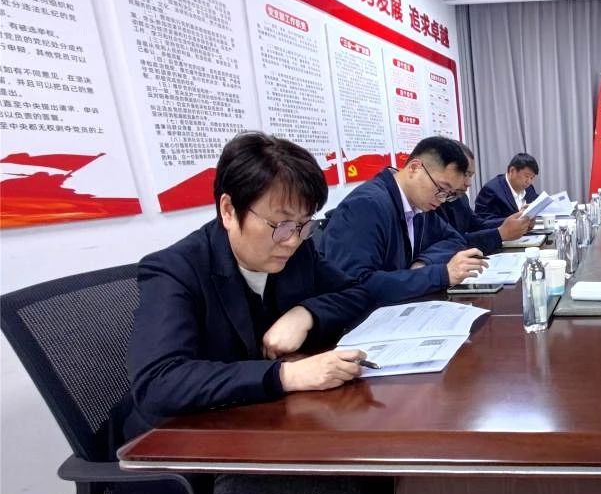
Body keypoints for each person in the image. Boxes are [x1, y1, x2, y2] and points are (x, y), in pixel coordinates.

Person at [126, 133, 374, 438]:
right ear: (229, 211)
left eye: (304, 224)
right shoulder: (175, 270)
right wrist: (285, 375)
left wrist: (305, 314)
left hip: (264, 421)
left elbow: (358, 294)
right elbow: (158, 383)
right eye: (281, 224)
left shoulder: (297, 250)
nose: (292, 241)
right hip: (180, 438)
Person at [320, 136, 487, 305]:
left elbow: (454, 239)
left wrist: (423, 263)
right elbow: (355, 286)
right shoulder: (366, 206)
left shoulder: (420, 205)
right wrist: (441, 275)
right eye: (442, 189)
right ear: (415, 168)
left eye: (449, 194)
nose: (442, 199)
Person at [438, 144, 533, 254]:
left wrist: (516, 221)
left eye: (470, 176)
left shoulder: (461, 197)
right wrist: (500, 233)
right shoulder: (432, 203)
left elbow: (478, 225)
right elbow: (451, 244)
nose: (469, 183)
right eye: (464, 174)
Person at [474, 152, 540, 221]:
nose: (529, 181)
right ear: (512, 171)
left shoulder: (529, 188)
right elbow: (483, 222)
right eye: (526, 176)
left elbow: (536, 203)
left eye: (532, 178)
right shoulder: (491, 190)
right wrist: (518, 217)